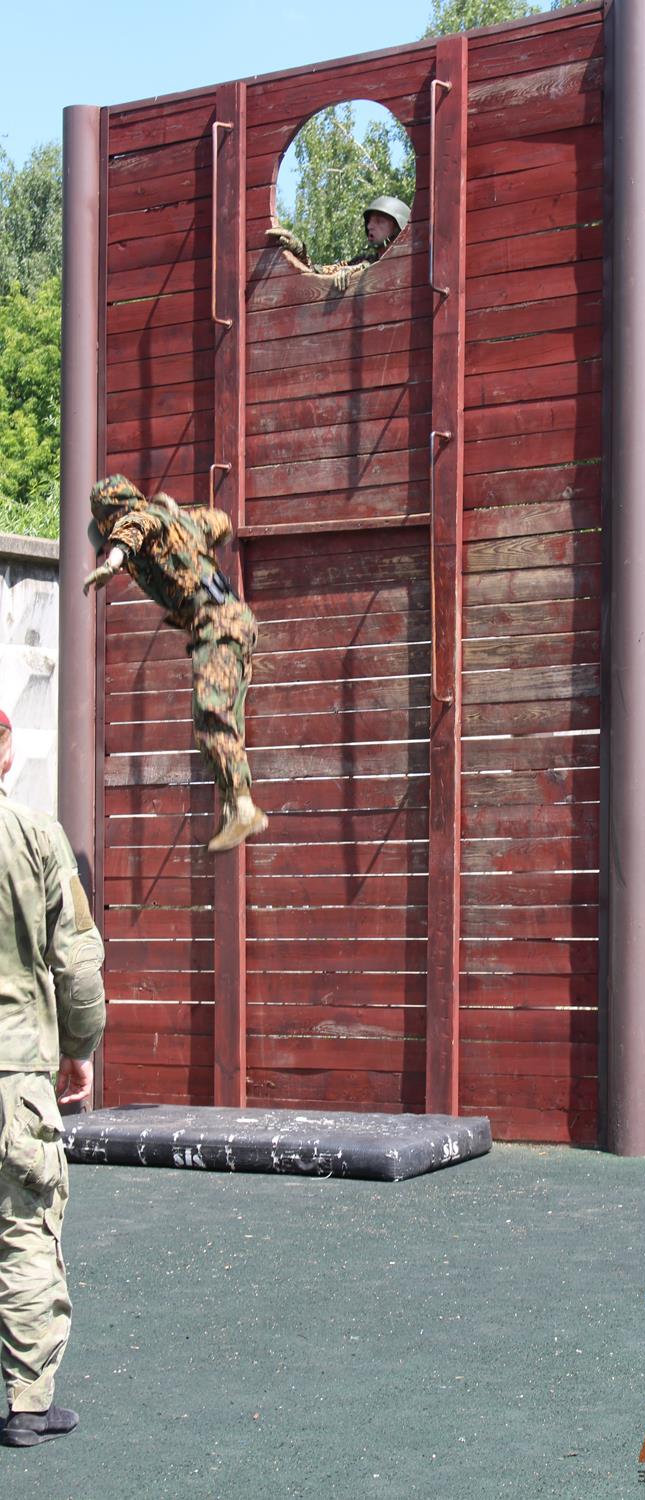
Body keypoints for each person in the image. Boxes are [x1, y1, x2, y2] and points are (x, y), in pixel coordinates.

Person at [0, 710, 106, 1447]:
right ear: (3, 752)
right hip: (15, 1070)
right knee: (26, 1227)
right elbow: (76, 964)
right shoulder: (37, 838)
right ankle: (29, 1402)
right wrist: (80, 1048)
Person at [84, 476, 267, 853]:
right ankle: (237, 806)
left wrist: (113, 562)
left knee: (210, 714)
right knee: (224, 720)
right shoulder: (177, 521)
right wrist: (183, 517)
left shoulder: (142, 520)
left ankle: (243, 806)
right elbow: (222, 523)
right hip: (236, 623)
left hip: (217, 627)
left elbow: (135, 525)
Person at [266, 194, 411, 290]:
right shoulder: (357, 262)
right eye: (370, 222)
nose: (370, 226)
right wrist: (298, 252)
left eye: (379, 221)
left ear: (398, 229)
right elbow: (317, 273)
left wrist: (360, 269)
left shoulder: (411, 263)